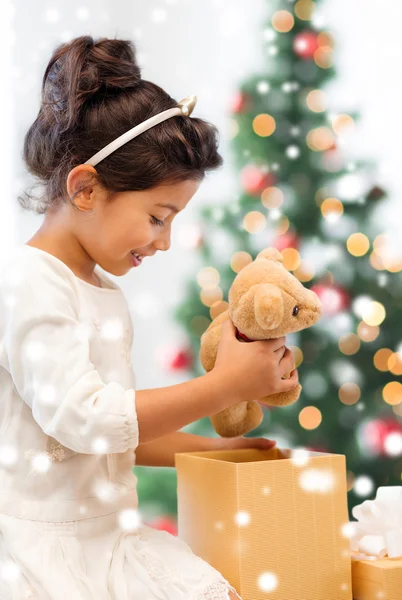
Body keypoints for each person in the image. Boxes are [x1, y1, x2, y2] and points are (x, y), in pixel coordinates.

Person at [0, 35, 299, 600]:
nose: (164, 242)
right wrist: (225, 386)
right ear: (85, 187)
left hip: (110, 543)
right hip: (45, 554)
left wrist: (210, 450)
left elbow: (112, 439)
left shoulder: (103, 293)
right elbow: (87, 420)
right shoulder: (28, 283)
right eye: (158, 217)